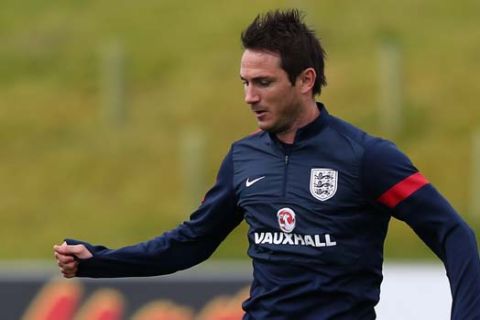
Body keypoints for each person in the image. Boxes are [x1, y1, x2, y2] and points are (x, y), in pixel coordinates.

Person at [54, 9, 480, 319]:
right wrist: (99, 260)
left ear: (305, 80)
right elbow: (191, 242)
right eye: (245, 82)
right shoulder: (243, 157)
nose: (249, 97)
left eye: (264, 83)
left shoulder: (367, 157)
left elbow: (453, 234)